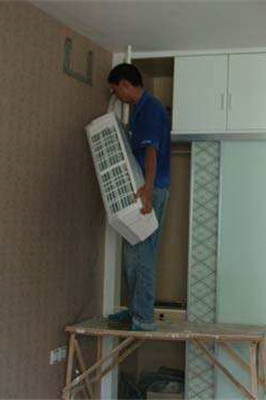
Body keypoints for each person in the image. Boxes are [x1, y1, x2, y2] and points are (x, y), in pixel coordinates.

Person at [106, 63, 171, 331]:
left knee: (143, 252)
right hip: (143, 186)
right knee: (133, 250)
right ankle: (135, 310)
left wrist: (147, 189)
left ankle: (144, 317)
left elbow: (151, 151)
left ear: (125, 84)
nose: (116, 95)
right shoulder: (139, 111)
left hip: (151, 188)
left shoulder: (151, 108)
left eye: (115, 90)